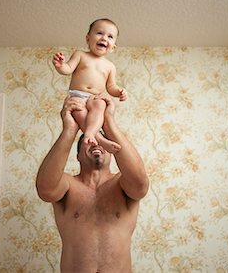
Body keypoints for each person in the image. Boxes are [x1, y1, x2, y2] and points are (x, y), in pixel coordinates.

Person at [36, 95, 149, 273]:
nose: (96, 144)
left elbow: (141, 184)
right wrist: (70, 130)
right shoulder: (67, 184)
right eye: (89, 142)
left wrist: (108, 122)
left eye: (102, 142)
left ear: (112, 153)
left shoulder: (123, 183)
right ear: (78, 156)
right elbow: (45, 190)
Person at [52, 18, 127, 154]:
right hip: (77, 96)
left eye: (110, 36)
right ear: (88, 38)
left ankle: (91, 133)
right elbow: (68, 69)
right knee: (80, 113)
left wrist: (119, 92)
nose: (104, 38)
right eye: (99, 33)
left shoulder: (110, 66)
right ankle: (98, 138)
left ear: (113, 47)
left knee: (101, 105)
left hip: (94, 98)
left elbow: (111, 87)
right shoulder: (80, 55)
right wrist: (61, 66)